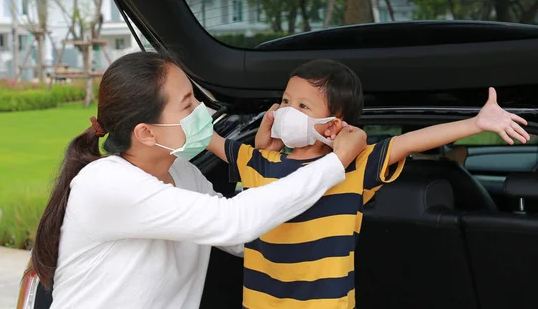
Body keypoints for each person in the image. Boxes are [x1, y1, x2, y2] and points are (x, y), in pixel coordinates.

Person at [30, 52, 368, 309]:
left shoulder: (180, 171)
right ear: (146, 133)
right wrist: (337, 162)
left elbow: (240, 240)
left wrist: (269, 169)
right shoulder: (106, 184)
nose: (202, 110)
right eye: (188, 104)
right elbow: (236, 223)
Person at [207, 59, 529, 309]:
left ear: (333, 123)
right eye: (286, 100)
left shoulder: (354, 167)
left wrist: (475, 123)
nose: (287, 111)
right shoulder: (260, 160)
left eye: (303, 106)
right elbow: (205, 137)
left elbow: (411, 141)